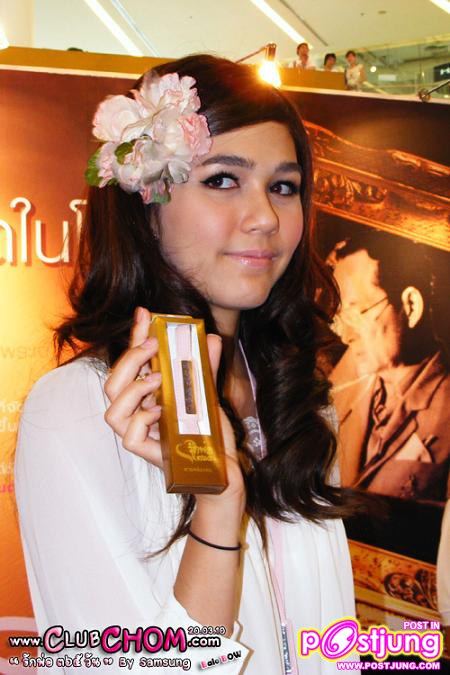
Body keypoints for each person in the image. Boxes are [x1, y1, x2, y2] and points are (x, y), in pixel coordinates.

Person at [15, 55, 359, 674]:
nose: (266, 218)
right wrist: (218, 510)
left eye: (284, 187)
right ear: (146, 207)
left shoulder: (297, 397)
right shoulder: (75, 410)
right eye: (223, 179)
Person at [327, 232, 450, 502]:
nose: (346, 336)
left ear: (411, 306)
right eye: (342, 317)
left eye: (357, 313)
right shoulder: (345, 380)